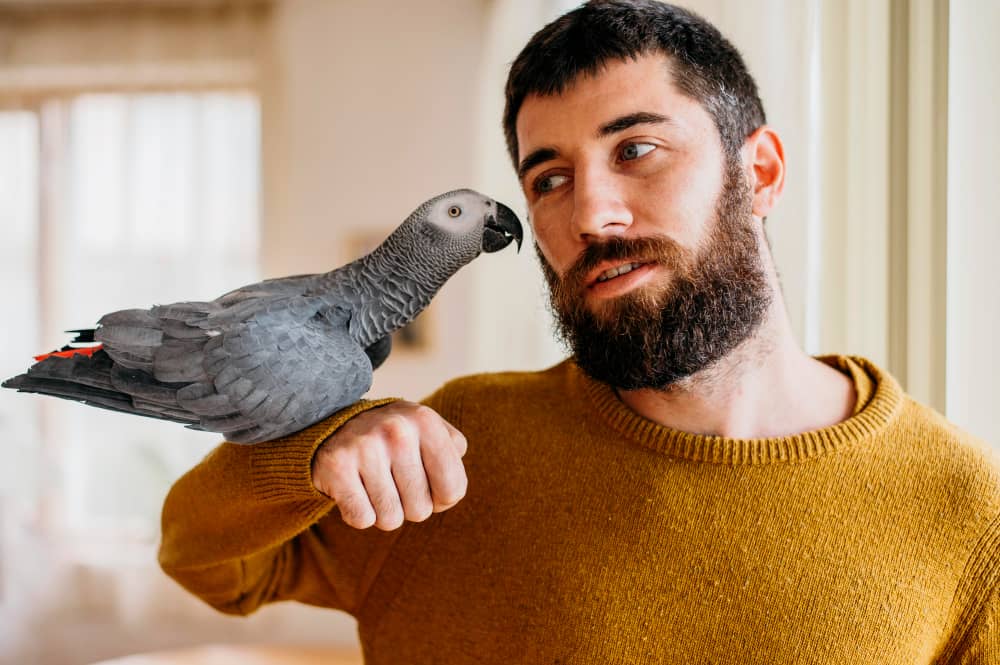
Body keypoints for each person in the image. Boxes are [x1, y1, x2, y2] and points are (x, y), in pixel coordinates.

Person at [158, 1, 999, 662]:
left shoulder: (963, 507)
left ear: (761, 172)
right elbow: (203, 559)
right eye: (550, 178)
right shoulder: (454, 448)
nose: (590, 213)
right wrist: (311, 449)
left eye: (636, 149)